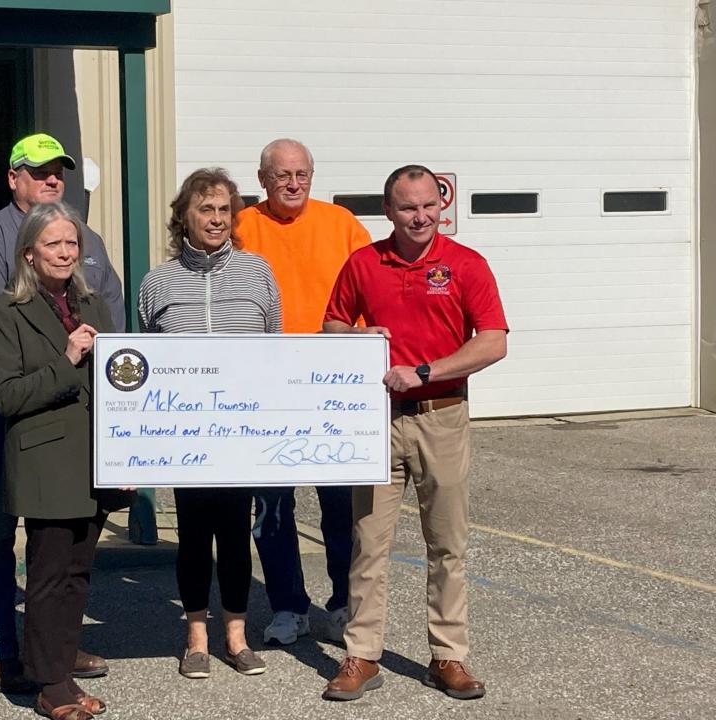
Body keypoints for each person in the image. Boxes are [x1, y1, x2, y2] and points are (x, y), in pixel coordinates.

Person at [321, 165, 508, 702]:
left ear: (440, 206)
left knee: (447, 543)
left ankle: (448, 656)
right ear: (389, 210)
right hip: (375, 419)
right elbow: (331, 324)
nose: (421, 216)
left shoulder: (466, 264)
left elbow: (493, 341)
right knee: (368, 542)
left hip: (442, 414)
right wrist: (358, 336)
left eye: (429, 205)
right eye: (408, 207)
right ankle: (362, 655)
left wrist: (427, 370)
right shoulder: (363, 263)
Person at [0, 133, 122, 691]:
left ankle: (54, 647)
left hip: (74, 398)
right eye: (40, 170)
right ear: (13, 178)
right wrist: (68, 354)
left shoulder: (85, 235)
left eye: (59, 171)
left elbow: (111, 310)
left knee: (65, 540)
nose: (53, 179)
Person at [138, 168, 281, 679]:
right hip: (186, 436)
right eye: (206, 209)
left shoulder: (258, 273)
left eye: (224, 210)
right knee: (195, 536)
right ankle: (196, 637)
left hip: (242, 434)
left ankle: (236, 636)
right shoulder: (157, 282)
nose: (216, 219)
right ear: (184, 217)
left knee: (236, 536)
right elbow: (143, 366)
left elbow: (276, 356)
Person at [0, 201, 114, 720]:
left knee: (78, 573)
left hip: (94, 462)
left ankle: (60, 669)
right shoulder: (4, 313)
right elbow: (7, 396)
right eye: (53, 243)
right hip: (45, 463)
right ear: (29, 253)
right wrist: (67, 360)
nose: (65, 252)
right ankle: (50, 683)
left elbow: (118, 389)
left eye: (71, 242)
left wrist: (125, 461)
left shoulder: (93, 304)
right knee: (49, 574)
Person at [237, 138, 371, 645]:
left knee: (339, 505)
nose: (292, 184)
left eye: (301, 175)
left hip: (329, 384)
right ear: (262, 178)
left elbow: (370, 287)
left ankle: (341, 604)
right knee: (272, 506)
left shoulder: (341, 223)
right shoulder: (243, 226)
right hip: (266, 385)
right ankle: (288, 606)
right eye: (281, 175)